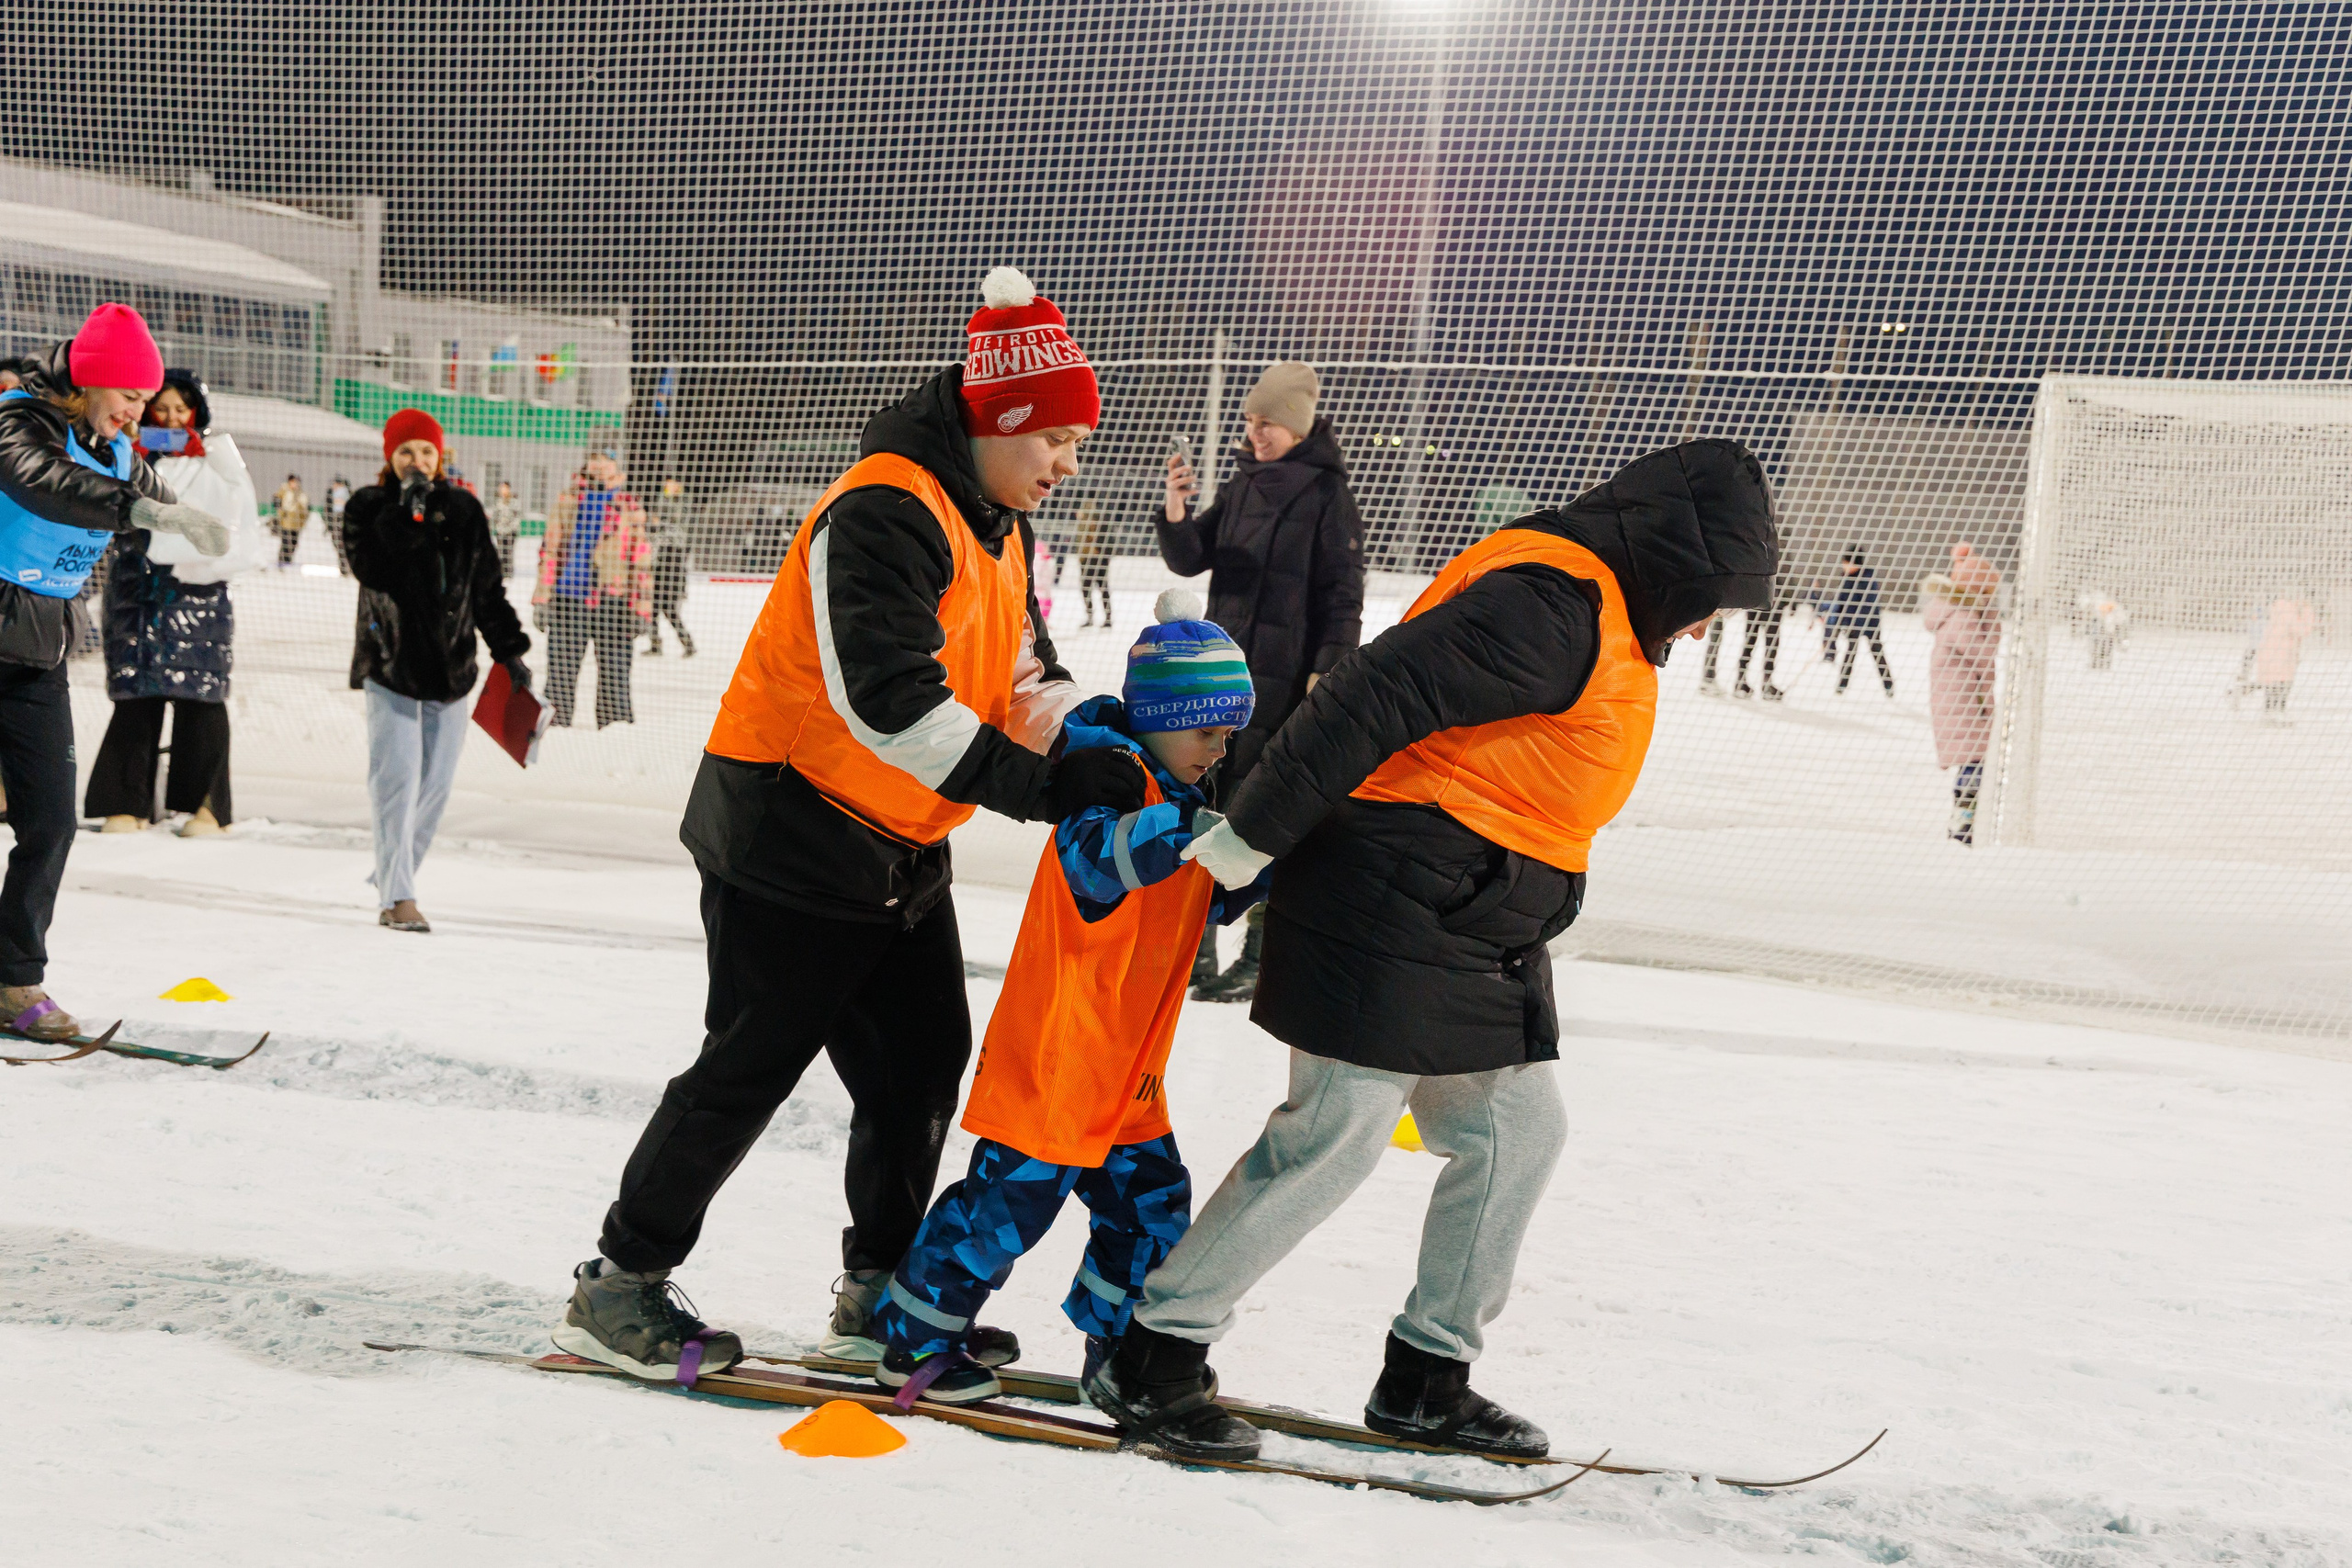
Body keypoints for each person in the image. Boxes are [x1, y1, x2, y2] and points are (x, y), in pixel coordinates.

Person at [1082, 440, 1778, 1462]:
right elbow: (1366, 694)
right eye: (1713, 591)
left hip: (1472, 919)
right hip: (1387, 893)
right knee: (1336, 1136)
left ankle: (1426, 1377)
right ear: (1674, 557)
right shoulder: (1549, 603)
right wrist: (1249, 833)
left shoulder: (1608, 606)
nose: (1711, 616)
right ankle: (1155, 1353)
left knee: (1514, 1138)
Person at [553, 266, 1147, 1384]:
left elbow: (1016, 667)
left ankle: (881, 1295)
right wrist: (1041, 788)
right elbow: (892, 703)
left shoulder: (995, 518)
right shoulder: (882, 507)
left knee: (921, 1068)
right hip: (791, 821)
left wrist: (1079, 736)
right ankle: (617, 1286)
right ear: (1000, 419)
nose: (1070, 464)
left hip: (897, 835)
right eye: (1058, 438)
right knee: (749, 1065)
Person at [865, 594, 1270, 1403]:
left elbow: (1193, 896)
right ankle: (911, 1342)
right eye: (1207, 731)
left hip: (1123, 1069)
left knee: (1152, 1206)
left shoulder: (1182, 795)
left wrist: (1255, 865)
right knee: (1003, 1208)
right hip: (1062, 1049)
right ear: (1160, 718)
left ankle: (1118, 1349)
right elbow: (1098, 864)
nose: (1221, 748)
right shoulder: (1106, 780)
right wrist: (1198, 839)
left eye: (1230, 734)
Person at [0, 304, 228, 1040]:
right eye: (130, 396)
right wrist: (142, 510)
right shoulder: (18, 419)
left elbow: (157, 503)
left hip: (37, 652)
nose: (139, 413)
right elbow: (41, 482)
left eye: (144, 400)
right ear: (92, 380)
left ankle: (13, 980)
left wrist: (192, 510)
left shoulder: (119, 448)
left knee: (51, 819)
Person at [1157, 361, 1364, 1003]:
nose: (1254, 432)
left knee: (1266, 813)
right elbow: (1192, 556)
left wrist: (1325, 672)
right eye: (1250, 421)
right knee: (1204, 803)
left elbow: (1344, 594)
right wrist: (1176, 507)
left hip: (1287, 682)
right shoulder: (1246, 483)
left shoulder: (1329, 495)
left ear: (1296, 425)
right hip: (1224, 676)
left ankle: (1261, 953)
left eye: (1265, 421)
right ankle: (1195, 950)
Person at [343, 409, 532, 932]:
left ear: (440, 456)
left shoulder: (466, 511)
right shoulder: (367, 507)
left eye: (426, 452)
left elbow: (486, 590)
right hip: (391, 669)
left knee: (434, 790)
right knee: (396, 784)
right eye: (407, 452)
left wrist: (509, 651)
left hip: (452, 675)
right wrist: (406, 514)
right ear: (390, 457)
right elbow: (371, 569)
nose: (418, 461)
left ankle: (391, 869)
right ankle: (398, 896)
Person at [85, 369, 268, 838]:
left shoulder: (216, 461)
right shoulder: (124, 457)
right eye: (159, 407)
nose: (169, 417)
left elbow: (238, 528)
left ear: (196, 413)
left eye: (180, 409)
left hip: (199, 596)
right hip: (136, 594)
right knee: (135, 696)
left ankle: (207, 806)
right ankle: (126, 803)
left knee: (201, 699)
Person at [533, 447, 651, 727]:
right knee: (560, 671)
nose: (599, 465)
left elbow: (641, 560)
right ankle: (554, 728)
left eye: (607, 459)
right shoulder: (568, 499)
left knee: (615, 672)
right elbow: (550, 550)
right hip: (569, 598)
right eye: (595, 458)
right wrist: (542, 598)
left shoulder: (628, 504)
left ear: (616, 465)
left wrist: (641, 608)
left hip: (614, 600)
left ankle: (616, 730)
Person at [1921, 544, 2003, 844]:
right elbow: (1984, 651)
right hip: (1964, 701)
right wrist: (1991, 615)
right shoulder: (1964, 616)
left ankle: (1964, 817)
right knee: (1974, 761)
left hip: (1959, 699)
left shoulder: (1954, 612)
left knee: (1974, 760)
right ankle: (1963, 820)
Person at [1822, 547, 1894, 696]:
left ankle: (1888, 684)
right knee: (1850, 653)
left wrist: (1855, 624)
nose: (1844, 566)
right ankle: (1842, 683)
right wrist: (1838, 621)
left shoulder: (1867, 579)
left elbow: (1868, 605)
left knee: (1877, 652)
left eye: (1846, 563)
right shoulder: (1846, 578)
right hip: (1851, 624)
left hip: (1869, 624)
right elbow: (1840, 604)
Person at [643, 479, 695, 657]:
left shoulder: (682, 509)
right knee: (655, 612)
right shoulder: (659, 540)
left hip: (670, 574)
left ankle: (687, 644)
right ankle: (658, 644)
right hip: (659, 574)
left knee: (669, 612)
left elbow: (675, 517)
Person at [2253, 589, 2315, 722]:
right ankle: (2275, 711)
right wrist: (2308, 612)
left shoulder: (2282, 607)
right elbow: (2301, 630)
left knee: (2276, 682)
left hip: (2276, 651)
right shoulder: (2288, 609)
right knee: (2281, 683)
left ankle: (2271, 711)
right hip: (2280, 653)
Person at [1074, 499, 1112, 626]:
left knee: (1102, 588)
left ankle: (1107, 618)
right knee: (1087, 588)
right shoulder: (1082, 524)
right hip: (1086, 559)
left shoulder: (1099, 524)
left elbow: (1105, 541)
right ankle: (1091, 617)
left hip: (1097, 559)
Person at [485, 479, 523, 581]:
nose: (502, 490)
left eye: (504, 488)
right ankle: (501, 572)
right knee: (501, 551)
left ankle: (508, 573)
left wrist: (513, 527)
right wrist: (496, 527)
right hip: (500, 531)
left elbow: (518, 516)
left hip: (510, 531)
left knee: (508, 552)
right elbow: (494, 516)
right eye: (501, 488)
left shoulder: (513, 502)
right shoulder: (498, 502)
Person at [270, 474, 309, 568]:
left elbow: (305, 507)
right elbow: (276, 501)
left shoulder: (301, 493)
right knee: (286, 542)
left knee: (293, 543)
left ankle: (288, 562)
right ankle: (282, 562)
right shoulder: (284, 491)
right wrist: (280, 512)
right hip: (286, 522)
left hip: (297, 523)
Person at [325, 474, 354, 575]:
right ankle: (345, 568)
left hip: (340, 518)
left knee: (341, 545)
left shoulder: (341, 492)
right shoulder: (339, 492)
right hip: (339, 519)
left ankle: (345, 568)